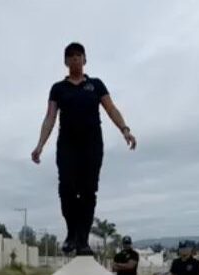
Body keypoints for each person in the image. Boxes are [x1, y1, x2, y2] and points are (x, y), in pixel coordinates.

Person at [31, 42, 137, 256]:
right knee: (67, 189)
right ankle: (72, 233)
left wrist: (125, 129)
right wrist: (40, 144)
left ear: (85, 59)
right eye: (70, 56)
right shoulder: (58, 88)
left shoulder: (96, 85)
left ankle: (83, 239)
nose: (75, 59)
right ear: (65, 62)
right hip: (67, 146)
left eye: (78, 55)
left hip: (92, 145)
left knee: (88, 191)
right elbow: (50, 117)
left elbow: (111, 109)